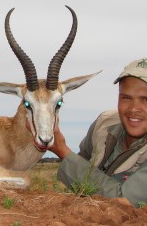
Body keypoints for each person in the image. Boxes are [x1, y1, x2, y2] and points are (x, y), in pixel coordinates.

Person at [48, 58, 147, 207]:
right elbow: (82, 163)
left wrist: (63, 151)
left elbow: (124, 201)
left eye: (145, 99)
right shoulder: (104, 123)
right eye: (126, 98)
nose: (134, 109)